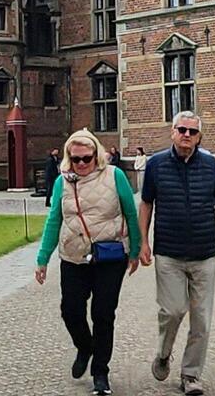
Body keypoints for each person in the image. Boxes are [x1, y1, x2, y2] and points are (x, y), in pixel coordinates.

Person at [140, 110, 215, 396]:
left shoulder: (210, 166)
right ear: (172, 132)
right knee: (172, 311)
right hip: (169, 253)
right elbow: (146, 204)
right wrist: (142, 242)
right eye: (181, 130)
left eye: (192, 132)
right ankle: (163, 353)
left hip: (204, 253)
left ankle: (191, 375)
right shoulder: (156, 165)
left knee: (202, 319)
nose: (186, 135)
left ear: (199, 137)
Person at [35, 128, 140, 396]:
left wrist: (136, 250)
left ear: (96, 155)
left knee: (103, 314)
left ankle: (100, 373)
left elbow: (130, 212)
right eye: (76, 159)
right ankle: (84, 346)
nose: (81, 164)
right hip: (73, 256)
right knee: (70, 310)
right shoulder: (62, 182)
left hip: (109, 256)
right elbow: (54, 220)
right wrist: (42, 258)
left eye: (86, 158)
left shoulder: (114, 176)